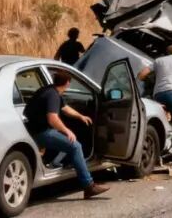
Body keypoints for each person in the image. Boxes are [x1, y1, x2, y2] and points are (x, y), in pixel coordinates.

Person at [24, 71, 110, 199]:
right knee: (75, 146)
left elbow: (64, 108)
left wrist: (80, 116)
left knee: (70, 140)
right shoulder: (53, 95)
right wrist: (66, 130)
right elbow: (52, 118)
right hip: (40, 133)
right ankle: (89, 186)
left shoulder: (49, 90)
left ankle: (58, 162)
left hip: (33, 129)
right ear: (68, 83)